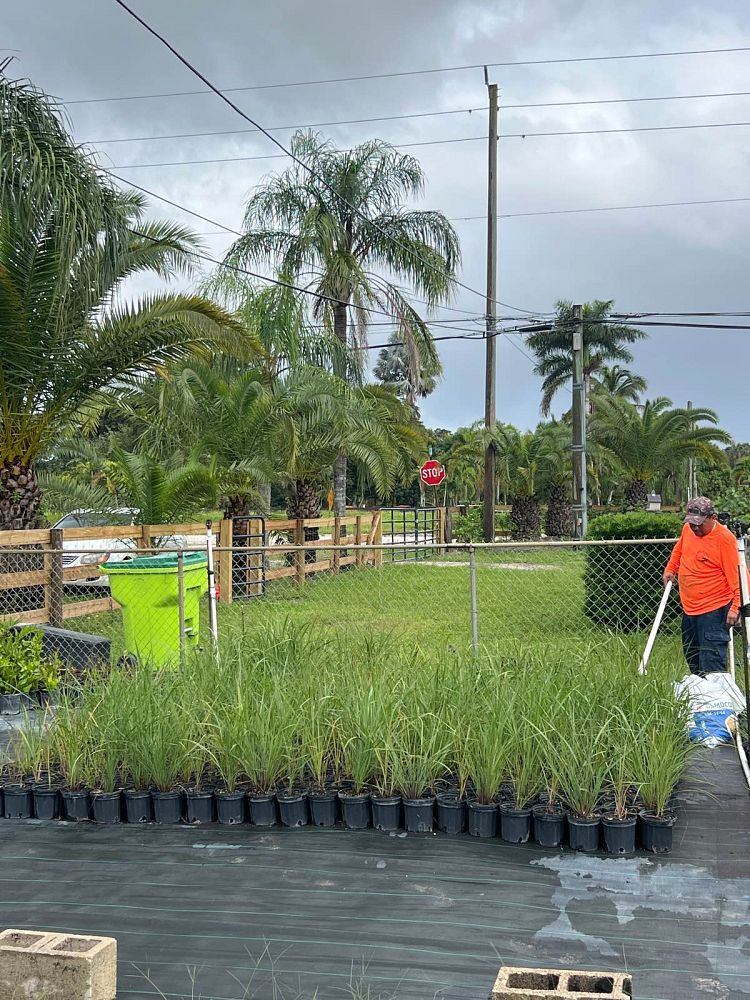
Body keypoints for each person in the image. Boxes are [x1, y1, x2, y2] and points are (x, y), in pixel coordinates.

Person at [663, 496, 741, 675]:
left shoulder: (725, 540)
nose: (695, 528)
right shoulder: (688, 530)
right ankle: (699, 700)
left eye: (699, 523)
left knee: (711, 666)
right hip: (689, 609)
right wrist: (671, 568)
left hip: (714, 610)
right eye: (691, 523)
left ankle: (716, 700)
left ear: (712, 518)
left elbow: (737, 576)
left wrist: (735, 607)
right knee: (693, 660)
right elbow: (680, 549)